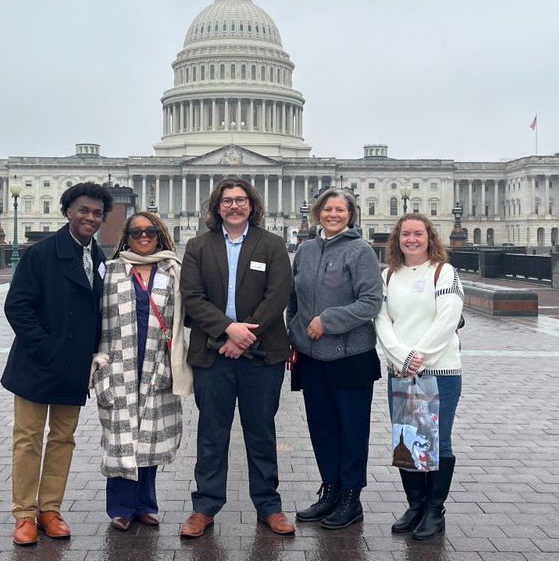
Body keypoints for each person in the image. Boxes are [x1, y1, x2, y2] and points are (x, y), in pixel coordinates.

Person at [179, 177, 295, 538]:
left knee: (261, 431)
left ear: (252, 205)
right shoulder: (198, 246)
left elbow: (279, 296)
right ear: (217, 206)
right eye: (227, 200)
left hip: (262, 355)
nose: (234, 206)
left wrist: (245, 336)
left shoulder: (272, 245)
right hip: (214, 353)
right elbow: (192, 297)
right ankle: (204, 506)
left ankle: (269, 505)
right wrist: (229, 330)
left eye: (241, 200)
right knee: (212, 434)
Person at [1, 181, 113, 545]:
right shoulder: (42, 253)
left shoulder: (98, 259)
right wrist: (46, 347)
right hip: (38, 361)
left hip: (75, 365)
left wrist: (96, 353)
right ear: (68, 212)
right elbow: (17, 306)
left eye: (97, 213)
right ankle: (24, 514)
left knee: (63, 439)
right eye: (84, 210)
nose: (90, 218)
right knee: (29, 439)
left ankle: (50, 509)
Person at [287, 188, 383, 530]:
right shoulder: (306, 250)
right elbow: (293, 301)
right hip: (312, 358)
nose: (332, 214)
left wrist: (327, 321)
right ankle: (330, 489)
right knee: (323, 427)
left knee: (352, 430)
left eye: (340, 209)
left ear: (350, 215)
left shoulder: (361, 251)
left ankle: (351, 497)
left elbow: (371, 301)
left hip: (351, 356)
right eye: (327, 209)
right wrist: (294, 334)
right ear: (317, 213)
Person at [90, 211, 192, 531]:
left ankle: (146, 505)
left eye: (150, 231)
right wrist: (99, 363)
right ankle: (120, 507)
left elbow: (188, 315)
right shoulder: (111, 270)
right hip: (118, 363)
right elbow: (95, 317)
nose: (144, 236)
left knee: (150, 436)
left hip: (157, 362)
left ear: (159, 235)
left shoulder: (173, 269)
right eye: (136, 232)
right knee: (121, 437)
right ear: (128, 237)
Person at [375, 213, 464, 541]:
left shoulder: (444, 272)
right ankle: (414, 505)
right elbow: (381, 321)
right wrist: (402, 357)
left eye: (418, 234)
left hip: (440, 371)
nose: (411, 240)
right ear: (397, 239)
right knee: (408, 440)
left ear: (429, 238)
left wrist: (418, 357)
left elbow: (448, 318)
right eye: (405, 234)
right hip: (401, 369)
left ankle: (433, 510)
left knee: (437, 441)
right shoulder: (388, 276)